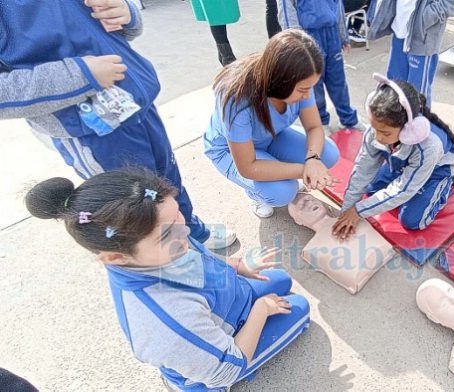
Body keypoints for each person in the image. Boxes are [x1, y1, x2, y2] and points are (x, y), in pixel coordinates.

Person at [24, 170, 310, 391]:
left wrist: (236, 265)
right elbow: (227, 369)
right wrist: (260, 311)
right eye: (165, 234)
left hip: (221, 311)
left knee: (280, 279)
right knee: (300, 307)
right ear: (114, 258)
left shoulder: (157, 243)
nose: (184, 234)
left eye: (178, 215)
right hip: (216, 361)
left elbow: (197, 257)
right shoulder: (159, 321)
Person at [0, 0, 234, 250]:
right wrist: (81, 75)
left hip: (136, 103)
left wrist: (128, 14)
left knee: (167, 180)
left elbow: (113, 26)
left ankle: (189, 231)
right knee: (132, 205)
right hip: (92, 130)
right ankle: (167, 255)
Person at [203, 29, 340, 218]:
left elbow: (315, 127)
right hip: (229, 152)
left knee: (328, 154)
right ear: (279, 81)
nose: (308, 96)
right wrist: (305, 170)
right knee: (282, 192)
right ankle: (254, 193)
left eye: (310, 87)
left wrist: (313, 160)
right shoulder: (237, 99)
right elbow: (248, 166)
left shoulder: (300, 82)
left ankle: (276, 172)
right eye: (302, 90)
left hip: (270, 136)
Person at [332, 75, 454, 239]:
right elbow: (362, 171)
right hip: (408, 163)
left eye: (385, 133)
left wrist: (358, 211)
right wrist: (346, 211)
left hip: (437, 169)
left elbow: (403, 190)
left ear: (408, 129)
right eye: (374, 127)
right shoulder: (377, 131)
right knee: (371, 189)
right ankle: (409, 174)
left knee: (412, 220)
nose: (377, 137)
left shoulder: (428, 147)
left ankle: (446, 183)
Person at [277, 0, 365, 133]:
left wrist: (343, 36)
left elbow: (338, 6)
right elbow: (287, 14)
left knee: (338, 80)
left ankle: (348, 118)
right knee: (314, 84)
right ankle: (320, 121)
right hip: (309, 35)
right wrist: (298, 43)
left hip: (332, 34)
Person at [367, 0, 454, 105]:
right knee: (394, 91)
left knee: (417, 98)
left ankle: (418, 121)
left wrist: (429, 15)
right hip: (399, 30)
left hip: (422, 37)